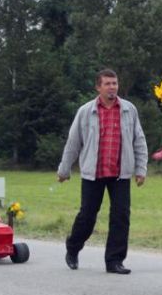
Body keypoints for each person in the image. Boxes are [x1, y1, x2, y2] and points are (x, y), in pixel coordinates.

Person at [57, 69, 148, 274]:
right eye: (107, 84)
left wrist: (140, 169)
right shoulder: (86, 111)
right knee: (87, 216)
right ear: (98, 87)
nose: (112, 87)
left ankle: (114, 261)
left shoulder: (128, 110)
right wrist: (64, 170)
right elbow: (73, 143)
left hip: (120, 173)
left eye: (114, 83)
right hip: (93, 173)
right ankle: (73, 247)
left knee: (121, 217)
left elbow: (139, 140)